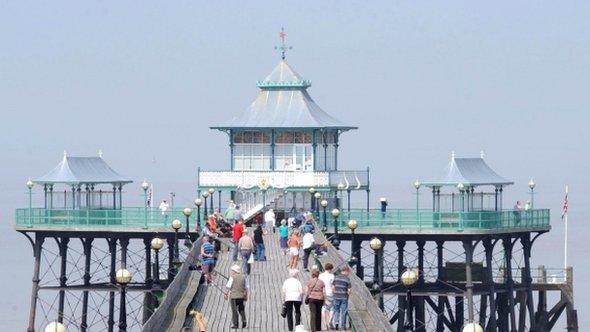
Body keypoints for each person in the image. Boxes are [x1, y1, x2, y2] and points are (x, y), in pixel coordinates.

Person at [225, 265, 248, 329]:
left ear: (235, 271)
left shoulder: (232, 277)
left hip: (234, 297)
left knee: (234, 311)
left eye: (232, 270)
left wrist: (226, 294)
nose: (231, 272)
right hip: (241, 296)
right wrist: (246, 296)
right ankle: (244, 320)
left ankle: (236, 324)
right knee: (241, 309)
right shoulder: (244, 277)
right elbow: (246, 288)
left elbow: (228, 287)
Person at [332, 266, 352, 330]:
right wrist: (348, 296)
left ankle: (336, 322)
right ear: (346, 271)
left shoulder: (336, 277)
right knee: (343, 312)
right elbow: (349, 291)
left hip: (336, 297)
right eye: (348, 272)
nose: (348, 274)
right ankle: (343, 327)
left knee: (336, 310)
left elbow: (333, 288)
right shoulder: (347, 279)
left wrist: (335, 293)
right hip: (344, 297)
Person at [319, 263, 335, 330]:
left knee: (323, 308)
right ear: (330, 269)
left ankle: (325, 324)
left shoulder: (320, 275)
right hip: (330, 293)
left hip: (322, 293)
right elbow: (333, 286)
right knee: (332, 308)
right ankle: (330, 321)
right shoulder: (332, 276)